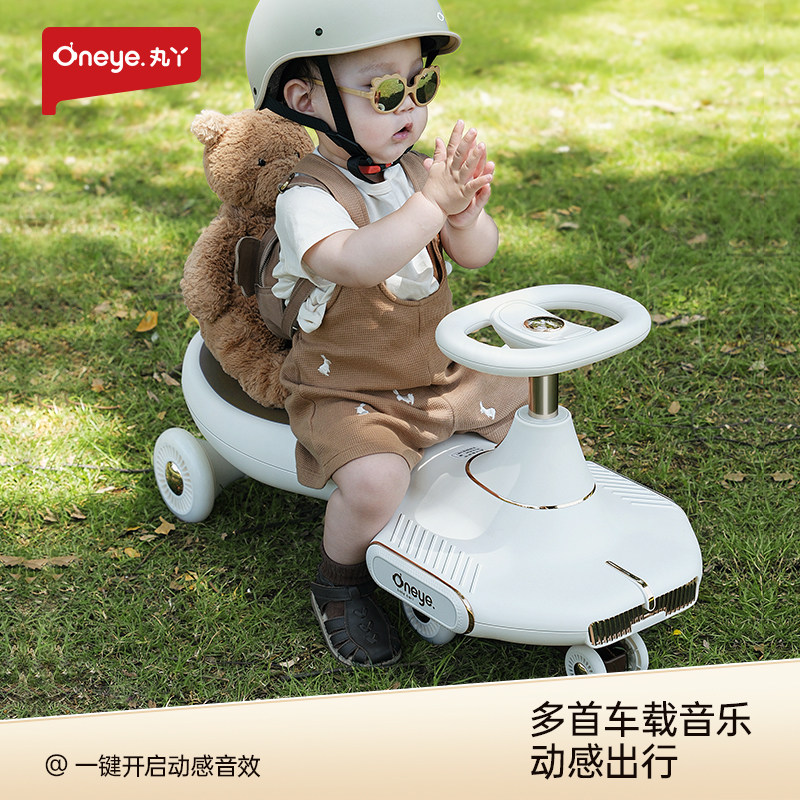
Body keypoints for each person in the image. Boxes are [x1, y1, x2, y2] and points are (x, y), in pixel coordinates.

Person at [245, 0, 526, 666]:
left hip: (435, 370)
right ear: (305, 99)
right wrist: (431, 206)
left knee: (529, 408)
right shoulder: (307, 199)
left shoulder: (415, 175)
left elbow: (477, 255)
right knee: (374, 484)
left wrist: (465, 217)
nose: (411, 108)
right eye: (387, 92)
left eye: (421, 85)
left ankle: (507, 526)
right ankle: (339, 581)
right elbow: (358, 261)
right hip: (350, 387)